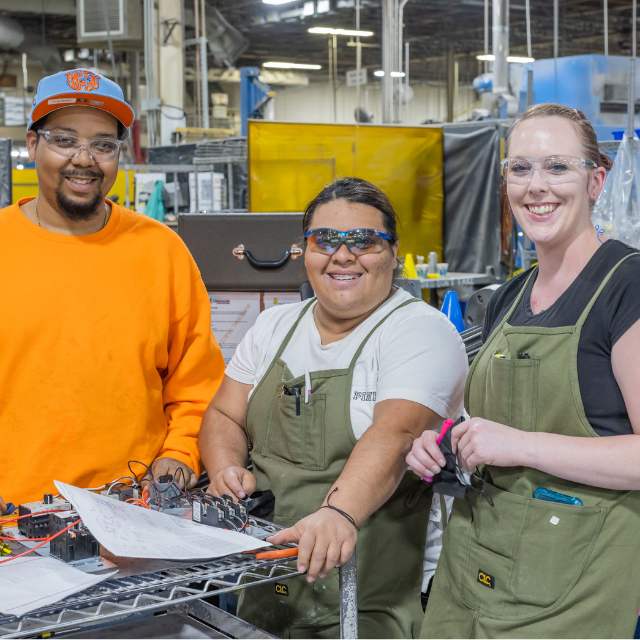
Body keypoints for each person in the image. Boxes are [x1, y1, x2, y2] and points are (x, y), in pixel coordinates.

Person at [407, 103, 640, 638]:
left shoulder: (625, 286)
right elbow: (488, 421)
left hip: (571, 582)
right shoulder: (511, 296)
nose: (537, 186)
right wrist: (442, 442)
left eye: (558, 167)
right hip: (474, 565)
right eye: (521, 168)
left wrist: (517, 446)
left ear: (596, 181)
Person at [199, 176, 468, 638]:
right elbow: (224, 415)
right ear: (305, 251)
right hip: (265, 583)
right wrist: (224, 468)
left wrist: (339, 513)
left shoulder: (419, 332)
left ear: (393, 253)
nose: (343, 255)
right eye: (326, 240)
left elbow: (396, 434)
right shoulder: (273, 326)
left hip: (373, 601)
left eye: (364, 240)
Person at [0, 68, 224, 509]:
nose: (84, 159)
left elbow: (197, 384)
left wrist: (180, 453)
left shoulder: (161, 251)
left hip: (132, 512)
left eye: (103, 144)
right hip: (11, 518)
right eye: (64, 139)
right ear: (32, 145)